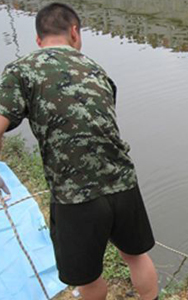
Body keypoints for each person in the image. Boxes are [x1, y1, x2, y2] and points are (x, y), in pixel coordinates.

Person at [0, 3, 158, 300]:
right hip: (123, 182)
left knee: (89, 278)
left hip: (75, 197)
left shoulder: (22, 70)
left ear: (38, 39)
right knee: (136, 257)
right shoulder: (97, 70)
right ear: (74, 32)